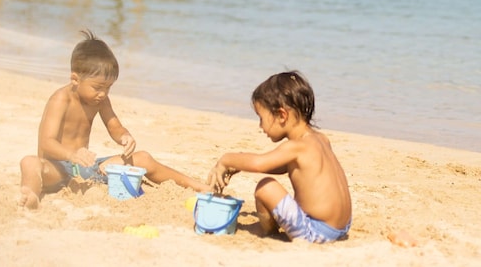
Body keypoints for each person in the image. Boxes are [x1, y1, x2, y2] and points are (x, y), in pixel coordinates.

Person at [19, 31, 209, 209]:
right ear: (75, 79)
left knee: (143, 158)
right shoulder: (60, 99)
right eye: (98, 87)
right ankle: (31, 193)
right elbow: (47, 142)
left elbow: (114, 126)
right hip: (58, 168)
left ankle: (196, 186)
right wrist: (71, 155)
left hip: (87, 168)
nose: (103, 93)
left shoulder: (99, 100)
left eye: (108, 88)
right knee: (30, 162)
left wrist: (124, 137)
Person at [208, 70, 352, 243]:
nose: (260, 126)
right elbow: (289, 167)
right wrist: (240, 165)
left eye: (261, 118)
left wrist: (226, 159)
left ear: (282, 115)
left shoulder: (296, 147)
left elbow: (259, 163)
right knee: (268, 187)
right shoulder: (321, 139)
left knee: (265, 188)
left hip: (315, 230)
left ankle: (269, 232)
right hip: (342, 227)